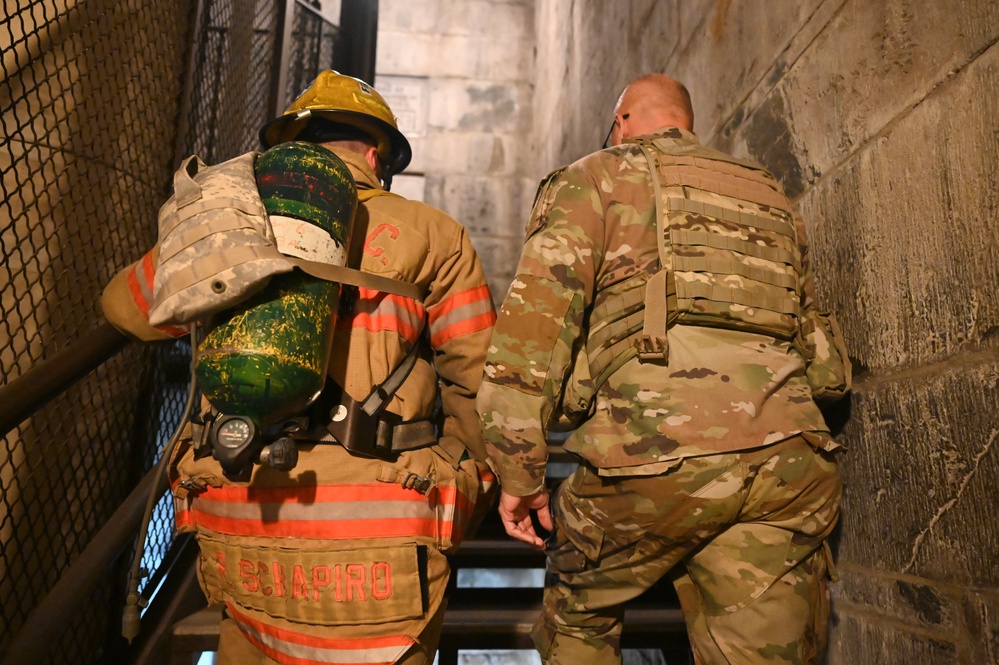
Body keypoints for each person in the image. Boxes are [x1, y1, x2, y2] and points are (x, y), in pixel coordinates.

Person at [102, 70, 497, 665]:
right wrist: (464, 492)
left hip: (242, 528)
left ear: (293, 142)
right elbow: (482, 383)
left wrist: (212, 233)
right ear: (374, 154)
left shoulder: (231, 221)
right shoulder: (434, 234)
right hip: (381, 546)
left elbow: (124, 310)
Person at [477, 73, 851, 664]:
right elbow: (826, 370)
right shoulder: (768, 194)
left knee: (579, 610)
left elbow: (530, 343)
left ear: (622, 122)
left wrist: (519, 478)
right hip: (786, 465)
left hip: (650, 457)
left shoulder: (597, 176)